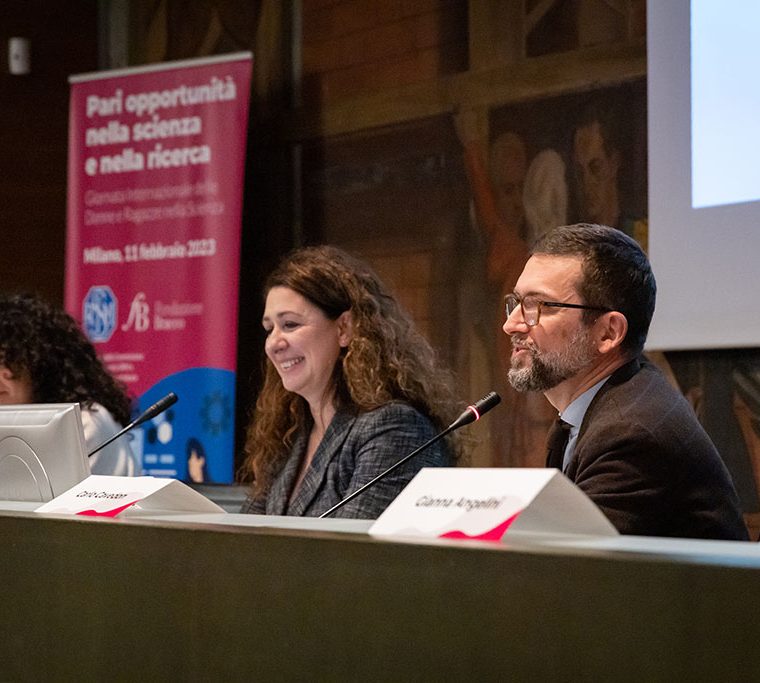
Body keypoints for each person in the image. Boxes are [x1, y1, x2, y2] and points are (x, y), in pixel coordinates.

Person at [503, 223, 748, 539]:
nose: (511, 324)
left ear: (609, 333)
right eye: (517, 303)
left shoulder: (631, 434)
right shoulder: (610, 404)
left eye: (540, 306)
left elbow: (571, 563)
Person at [239, 245, 461, 519]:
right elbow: (245, 532)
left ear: (344, 328)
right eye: (269, 328)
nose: (273, 343)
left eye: (290, 325)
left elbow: (354, 544)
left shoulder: (394, 428)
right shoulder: (288, 432)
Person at [0, 292, 138, 476]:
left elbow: (33, 491)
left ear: (42, 363)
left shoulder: (84, 422)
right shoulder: (14, 422)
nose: (2, 373)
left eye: (11, 360)